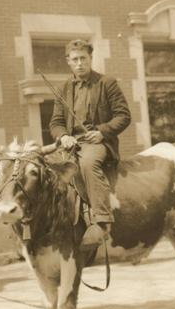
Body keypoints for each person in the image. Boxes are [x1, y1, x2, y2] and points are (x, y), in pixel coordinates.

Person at [49, 39, 131, 248]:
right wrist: (63, 136)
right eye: (75, 59)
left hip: (96, 142)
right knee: (45, 170)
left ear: (91, 58)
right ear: (68, 61)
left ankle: (101, 221)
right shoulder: (63, 89)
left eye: (83, 58)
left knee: (87, 164)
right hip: (70, 144)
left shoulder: (107, 83)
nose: (80, 63)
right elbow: (56, 123)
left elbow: (123, 116)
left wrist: (102, 132)